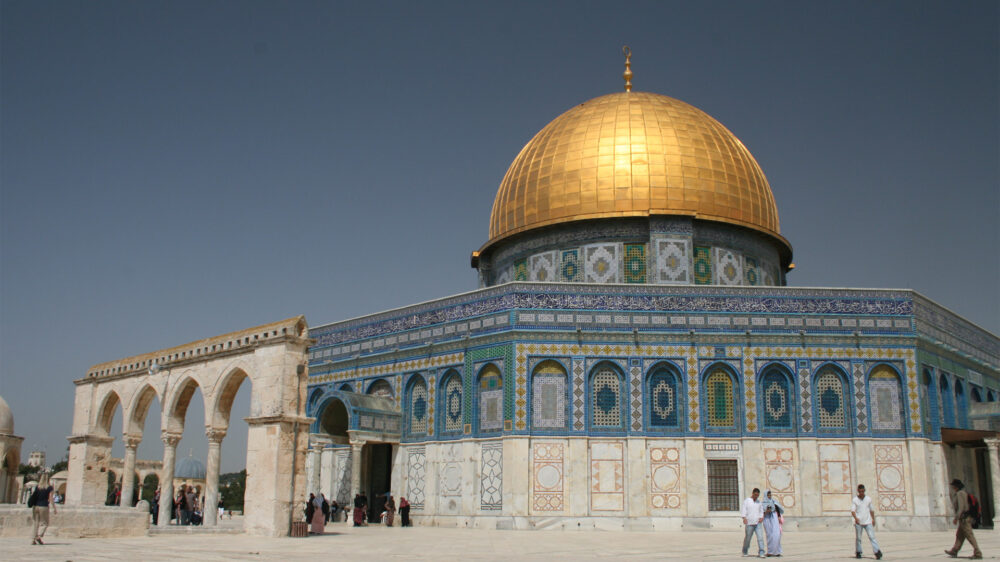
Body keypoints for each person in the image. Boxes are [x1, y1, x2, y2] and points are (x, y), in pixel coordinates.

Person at [945, 479, 982, 559]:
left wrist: (956, 518)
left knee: (969, 536)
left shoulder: (960, 494)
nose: (952, 487)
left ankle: (978, 553)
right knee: (959, 535)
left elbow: (961, 507)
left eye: (953, 486)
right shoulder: (962, 493)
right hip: (964, 518)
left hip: (964, 519)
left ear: (956, 487)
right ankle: (954, 551)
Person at [851, 484, 882, 559]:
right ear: (858, 491)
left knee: (872, 537)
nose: (861, 493)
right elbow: (853, 511)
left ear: (864, 491)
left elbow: (871, 510)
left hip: (868, 522)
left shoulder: (868, 499)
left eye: (862, 491)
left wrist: (873, 519)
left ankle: (877, 552)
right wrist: (856, 518)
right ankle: (858, 552)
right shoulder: (855, 500)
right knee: (858, 538)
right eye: (860, 491)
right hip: (859, 522)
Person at [29, 474, 57, 545]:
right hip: (44, 506)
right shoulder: (49, 488)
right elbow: (50, 498)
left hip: (35, 506)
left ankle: (33, 539)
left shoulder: (37, 487)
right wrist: (54, 507)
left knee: (35, 523)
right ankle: (39, 536)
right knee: (44, 523)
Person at [741, 487, 765, 558]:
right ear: (752, 493)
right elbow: (744, 510)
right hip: (749, 523)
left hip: (758, 523)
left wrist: (761, 517)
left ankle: (761, 552)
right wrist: (744, 518)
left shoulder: (759, 502)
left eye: (757, 495)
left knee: (760, 537)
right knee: (748, 538)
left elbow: (761, 511)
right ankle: (745, 551)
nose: (756, 496)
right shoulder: (747, 501)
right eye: (755, 495)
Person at [761, 490, 783, 557]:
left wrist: (779, 516)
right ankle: (770, 552)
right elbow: (761, 512)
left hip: (774, 517)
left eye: (770, 495)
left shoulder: (774, 502)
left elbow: (778, 509)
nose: (769, 496)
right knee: (769, 535)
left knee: (777, 534)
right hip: (767, 519)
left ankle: (777, 551)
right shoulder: (762, 504)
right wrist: (766, 511)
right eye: (768, 495)